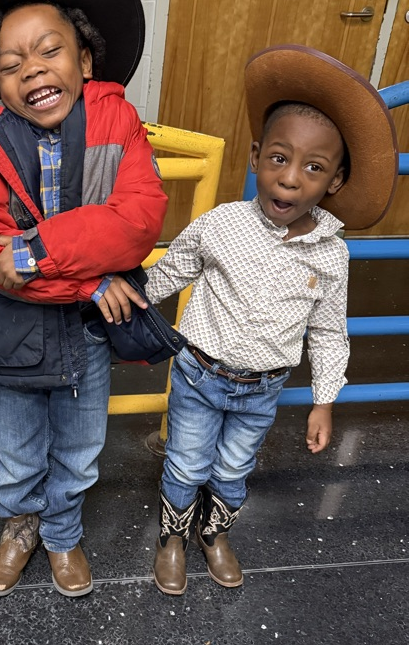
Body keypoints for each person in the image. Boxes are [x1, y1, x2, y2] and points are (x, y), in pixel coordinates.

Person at [0, 0, 168, 597]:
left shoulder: (118, 121)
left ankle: (62, 532)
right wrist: (90, 276)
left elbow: (138, 219)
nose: (32, 68)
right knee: (17, 448)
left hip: (86, 334)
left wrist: (36, 250)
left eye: (50, 50)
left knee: (80, 445)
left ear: (85, 59)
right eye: (11, 63)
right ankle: (20, 527)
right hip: (16, 328)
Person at [145, 44, 397, 595]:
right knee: (187, 464)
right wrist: (128, 307)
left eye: (313, 168)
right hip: (199, 375)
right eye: (279, 158)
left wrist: (324, 400)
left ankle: (214, 535)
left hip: (261, 390)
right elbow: (173, 270)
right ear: (257, 156)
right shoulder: (222, 224)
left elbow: (329, 332)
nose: (289, 179)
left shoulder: (332, 255)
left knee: (233, 471)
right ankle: (171, 539)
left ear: (333, 182)